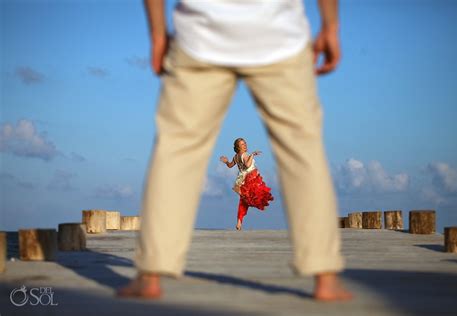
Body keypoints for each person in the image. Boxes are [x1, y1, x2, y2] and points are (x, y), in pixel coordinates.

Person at [117, 0, 353, 301]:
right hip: (279, 36)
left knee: (177, 151)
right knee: (302, 151)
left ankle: (150, 274)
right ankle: (325, 277)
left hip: (201, 36)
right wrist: (331, 26)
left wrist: (158, 34)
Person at [219, 138, 274, 230]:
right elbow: (248, 165)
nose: (245, 145)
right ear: (238, 147)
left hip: (241, 179)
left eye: (245, 143)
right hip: (250, 177)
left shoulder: (236, 156)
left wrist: (226, 162)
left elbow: (230, 165)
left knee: (243, 201)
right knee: (259, 194)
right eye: (242, 144)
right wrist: (252, 155)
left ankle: (239, 223)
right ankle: (260, 205)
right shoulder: (245, 155)